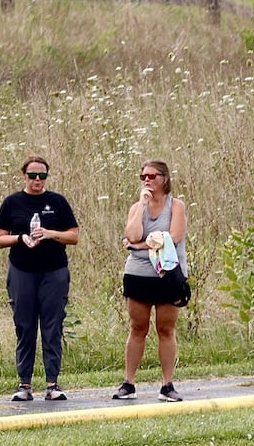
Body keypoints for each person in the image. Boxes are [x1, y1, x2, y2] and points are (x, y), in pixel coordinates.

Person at [0, 156, 81, 402]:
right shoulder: (12, 202)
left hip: (53, 271)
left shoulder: (57, 201)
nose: (38, 181)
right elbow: (0, 239)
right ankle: (24, 384)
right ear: (24, 176)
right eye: (33, 176)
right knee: (25, 326)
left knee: (53, 326)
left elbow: (73, 236)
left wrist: (50, 234)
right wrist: (21, 238)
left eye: (42, 176)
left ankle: (52, 384)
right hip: (22, 270)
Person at [114, 159, 187, 403]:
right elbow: (132, 233)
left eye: (152, 176)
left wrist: (136, 246)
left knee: (165, 328)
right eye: (143, 176)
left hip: (167, 274)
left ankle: (167, 385)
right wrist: (142, 207)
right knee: (138, 328)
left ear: (164, 179)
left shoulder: (176, 206)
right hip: (139, 273)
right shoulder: (137, 207)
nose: (147, 180)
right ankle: (129, 383)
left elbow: (172, 238)